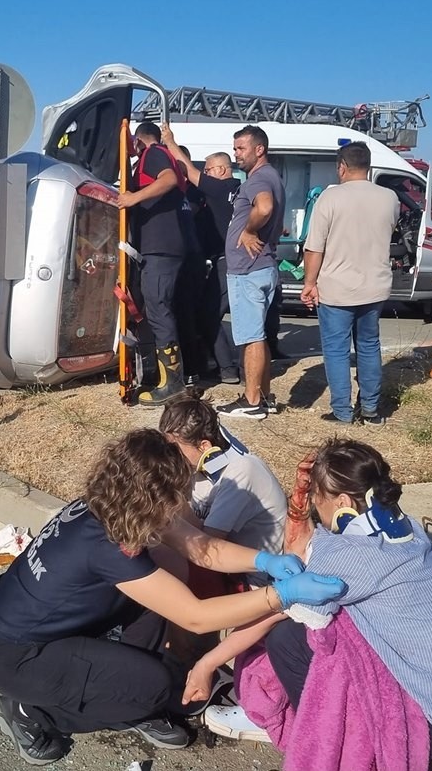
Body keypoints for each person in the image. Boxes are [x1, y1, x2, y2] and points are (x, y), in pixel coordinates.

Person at [0, 428, 345, 765]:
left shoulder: (112, 503)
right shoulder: (107, 546)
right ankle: (31, 712)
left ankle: (128, 691)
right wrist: (280, 595)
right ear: (154, 496)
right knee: (154, 686)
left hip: (29, 629)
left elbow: (202, 548)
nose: (185, 498)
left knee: (163, 582)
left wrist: (265, 559)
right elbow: (195, 616)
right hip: (18, 658)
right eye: (180, 492)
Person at [194, 440, 432, 763]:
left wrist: (206, 664)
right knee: (323, 621)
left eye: (319, 502)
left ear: (343, 501)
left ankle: (312, 733)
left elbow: (272, 609)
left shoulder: (351, 555)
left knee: (286, 639)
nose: (317, 515)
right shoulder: (406, 529)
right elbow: (309, 553)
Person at [299, 141, 400, 425]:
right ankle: (370, 409)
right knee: (369, 346)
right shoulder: (389, 197)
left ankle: (342, 411)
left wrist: (309, 283)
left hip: (337, 288)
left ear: (342, 167)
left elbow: (314, 248)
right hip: (375, 285)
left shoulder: (330, 198)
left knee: (336, 350)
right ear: (368, 166)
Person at [158, 390, 287, 577]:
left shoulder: (241, 471)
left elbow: (207, 547)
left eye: (174, 449)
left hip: (255, 578)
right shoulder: (199, 467)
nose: (169, 457)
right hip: (224, 568)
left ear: (204, 446)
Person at [161, 128, 242, 384]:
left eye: (207, 170)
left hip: (227, 262)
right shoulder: (239, 189)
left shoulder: (219, 189)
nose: (204, 175)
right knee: (211, 314)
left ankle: (228, 369)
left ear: (220, 170)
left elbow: (188, 169)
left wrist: (170, 142)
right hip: (234, 261)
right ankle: (224, 366)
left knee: (208, 315)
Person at [117, 122, 188, 406]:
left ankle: (172, 384)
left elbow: (169, 178)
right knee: (159, 309)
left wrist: (133, 197)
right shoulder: (149, 158)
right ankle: (166, 379)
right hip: (159, 249)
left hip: (162, 248)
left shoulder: (153, 152)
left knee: (159, 311)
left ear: (136, 141)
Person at [217, 125, 285, 420]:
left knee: (250, 337)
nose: (236, 155)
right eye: (234, 149)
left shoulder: (259, 178)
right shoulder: (269, 177)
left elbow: (265, 207)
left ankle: (252, 400)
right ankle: (264, 395)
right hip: (260, 267)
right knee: (257, 335)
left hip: (249, 269)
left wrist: (247, 229)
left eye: (241, 148)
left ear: (260, 149)